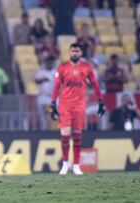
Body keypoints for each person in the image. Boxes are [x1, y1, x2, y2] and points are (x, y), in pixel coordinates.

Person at [50, 43, 105, 175]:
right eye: (73, 51)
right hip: (65, 106)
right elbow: (56, 86)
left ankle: (76, 165)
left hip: (79, 107)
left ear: (81, 53)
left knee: (77, 136)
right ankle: (65, 164)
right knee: (64, 134)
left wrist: (100, 101)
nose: (75, 53)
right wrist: (53, 103)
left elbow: (95, 84)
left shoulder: (86, 68)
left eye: (77, 51)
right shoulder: (63, 67)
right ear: (69, 52)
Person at [35, 55, 57, 130]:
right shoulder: (41, 72)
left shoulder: (56, 72)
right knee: (43, 118)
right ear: (46, 62)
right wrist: (44, 79)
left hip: (54, 97)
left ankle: (54, 130)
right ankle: (44, 132)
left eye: (51, 61)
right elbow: (36, 81)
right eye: (48, 61)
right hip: (43, 97)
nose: (50, 63)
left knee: (54, 115)